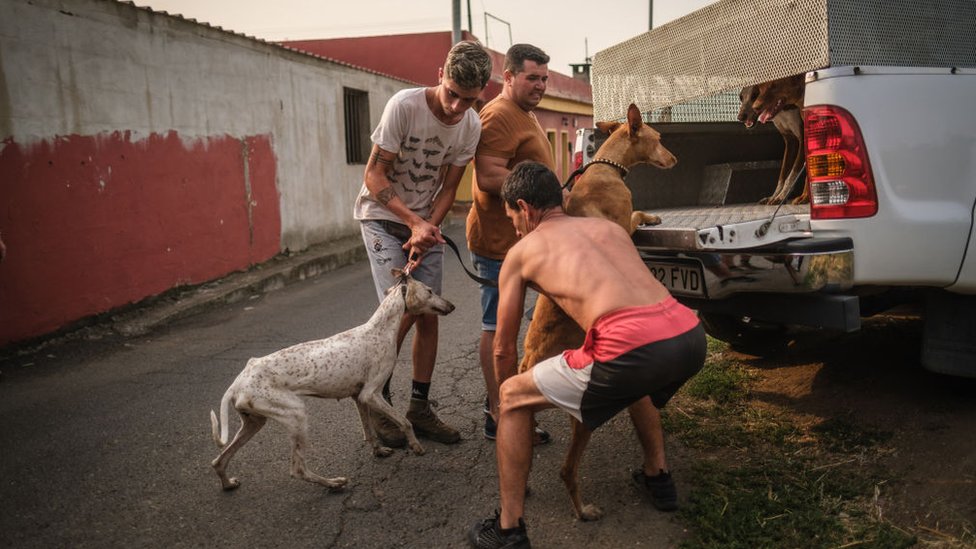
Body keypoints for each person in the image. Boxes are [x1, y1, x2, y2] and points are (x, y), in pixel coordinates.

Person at [468, 162, 707, 548]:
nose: (514, 226)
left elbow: (502, 349)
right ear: (560, 198)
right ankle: (658, 477)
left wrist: (501, 401)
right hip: (688, 337)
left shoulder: (522, 250)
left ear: (525, 208)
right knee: (636, 376)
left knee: (513, 398)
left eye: (512, 216)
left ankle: (508, 529)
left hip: (633, 349)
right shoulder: (611, 228)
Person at [353, 40, 492, 447]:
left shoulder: (471, 125)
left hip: (423, 224)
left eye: (468, 100)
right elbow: (374, 176)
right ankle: (379, 404)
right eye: (452, 94)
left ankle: (419, 408)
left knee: (428, 313)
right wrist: (413, 223)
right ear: (439, 76)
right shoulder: (404, 106)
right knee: (399, 313)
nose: (456, 107)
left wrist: (428, 229)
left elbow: (449, 188)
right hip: (381, 218)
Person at [466, 43, 554, 442]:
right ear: (509, 76)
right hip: (499, 243)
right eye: (532, 77)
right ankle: (498, 413)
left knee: (520, 326)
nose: (540, 85)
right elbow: (487, 176)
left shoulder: (525, 113)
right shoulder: (499, 114)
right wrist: (546, 195)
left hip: (523, 243)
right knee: (497, 329)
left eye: (544, 78)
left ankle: (515, 408)